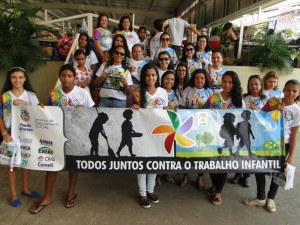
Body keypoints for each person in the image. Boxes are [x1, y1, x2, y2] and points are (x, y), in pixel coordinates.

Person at [30, 64, 94, 214]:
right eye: (63, 76)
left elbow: (92, 113)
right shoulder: (54, 94)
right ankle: (47, 196)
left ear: (75, 78)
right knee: (52, 164)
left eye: (69, 76)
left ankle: (71, 192)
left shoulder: (82, 93)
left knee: (72, 164)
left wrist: (83, 112)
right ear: (60, 77)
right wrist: (41, 107)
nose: (66, 79)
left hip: (76, 134)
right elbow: (47, 112)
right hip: (56, 134)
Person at [244, 79, 300, 213]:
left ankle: (271, 198)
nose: (290, 93)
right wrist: (273, 108)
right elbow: (260, 115)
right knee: (260, 168)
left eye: (294, 91)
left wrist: (291, 155)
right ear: (283, 90)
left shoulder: (296, 111)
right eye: (288, 90)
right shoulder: (273, 100)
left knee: (277, 172)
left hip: (282, 145)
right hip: (266, 140)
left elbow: (293, 135)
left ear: (298, 93)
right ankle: (261, 197)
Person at [0, 67, 40, 207]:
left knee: (25, 161)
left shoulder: (30, 96)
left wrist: (23, 103)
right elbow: (0, 116)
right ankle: (13, 194)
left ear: (25, 79)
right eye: (14, 77)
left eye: (20, 77)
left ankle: (25, 189)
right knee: (12, 165)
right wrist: (4, 133)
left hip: (27, 131)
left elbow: (38, 113)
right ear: (9, 79)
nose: (17, 80)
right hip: (10, 133)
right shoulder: (5, 96)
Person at [205, 71, 245, 205]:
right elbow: (203, 115)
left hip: (229, 138)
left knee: (224, 165)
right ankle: (215, 184)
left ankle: (218, 192)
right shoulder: (213, 97)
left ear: (235, 84)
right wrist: (207, 111)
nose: (227, 85)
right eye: (225, 81)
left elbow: (242, 119)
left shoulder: (239, 101)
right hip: (213, 135)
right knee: (210, 162)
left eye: (230, 82)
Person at [131, 63, 168, 208]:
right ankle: (142, 193)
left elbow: (165, 111)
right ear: (143, 77)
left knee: (153, 162)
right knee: (142, 163)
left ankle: (151, 190)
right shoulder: (136, 93)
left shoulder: (162, 92)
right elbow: (131, 113)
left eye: (153, 75)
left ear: (157, 76)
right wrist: (133, 107)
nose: (150, 78)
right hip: (142, 133)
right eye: (147, 75)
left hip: (157, 133)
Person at [231, 75, 268, 187]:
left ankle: (246, 176)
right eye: (251, 84)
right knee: (240, 151)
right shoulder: (244, 97)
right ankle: (237, 174)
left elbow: (268, 115)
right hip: (243, 129)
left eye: (256, 84)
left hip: (258, 131)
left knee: (249, 153)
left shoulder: (265, 99)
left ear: (261, 85)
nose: (254, 86)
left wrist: (256, 110)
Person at [179, 69, 213, 189]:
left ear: (206, 80)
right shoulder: (188, 90)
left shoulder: (210, 92)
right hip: (189, 125)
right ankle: (185, 174)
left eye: (202, 78)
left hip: (203, 126)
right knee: (187, 150)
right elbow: (181, 107)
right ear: (193, 79)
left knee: (201, 152)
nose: (199, 80)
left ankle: (200, 176)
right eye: (197, 78)